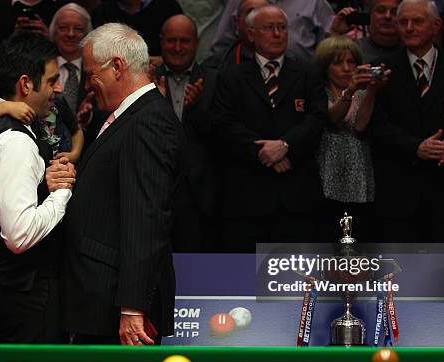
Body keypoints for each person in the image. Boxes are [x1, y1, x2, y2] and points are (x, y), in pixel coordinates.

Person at [62, 23, 182, 345]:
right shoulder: (122, 116)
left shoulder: (148, 121)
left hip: (116, 304)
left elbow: (146, 216)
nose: (88, 85)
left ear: (116, 67)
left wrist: (133, 307)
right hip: (98, 297)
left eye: (90, 74)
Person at [0, 31, 75, 343]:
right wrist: (61, 190)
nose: (58, 88)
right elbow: (20, 235)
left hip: (14, 287)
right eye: (52, 79)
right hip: (26, 292)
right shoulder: (14, 142)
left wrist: (46, 182)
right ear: (26, 84)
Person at [212, 5, 328, 252]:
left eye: (282, 28)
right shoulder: (230, 77)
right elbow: (224, 124)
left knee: (295, 283)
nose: (277, 34)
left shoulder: (308, 74)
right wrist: (264, 153)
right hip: (247, 198)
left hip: (297, 199)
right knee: (243, 282)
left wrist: (286, 146)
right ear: (251, 34)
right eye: (269, 28)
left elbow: (317, 119)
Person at [369, 0, 444, 242]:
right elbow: (376, 125)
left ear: (436, 25)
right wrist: (415, 147)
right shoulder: (381, 70)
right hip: (398, 199)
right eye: (403, 22)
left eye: (417, 21)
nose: (409, 28)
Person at [155, 14, 220, 252]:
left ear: (196, 42)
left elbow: (224, 139)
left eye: (185, 41)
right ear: (161, 42)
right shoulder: (146, 79)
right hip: (155, 193)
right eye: (171, 40)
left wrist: (197, 111)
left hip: (201, 199)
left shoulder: (215, 80)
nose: (178, 47)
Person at [314, 36, 389, 241]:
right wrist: (350, 91)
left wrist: (372, 90)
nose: (346, 68)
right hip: (326, 176)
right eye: (338, 63)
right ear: (326, 67)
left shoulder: (363, 92)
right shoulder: (319, 92)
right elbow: (334, 118)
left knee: (357, 244)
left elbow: (360, 126)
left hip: (359, 178)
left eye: (352, 62)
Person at [330, 0, 402, 63]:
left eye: (394, 12)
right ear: (370, 15)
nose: (387, 16)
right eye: (381, 11)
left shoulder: (411, 49)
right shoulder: (353, 49)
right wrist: (335, 32)